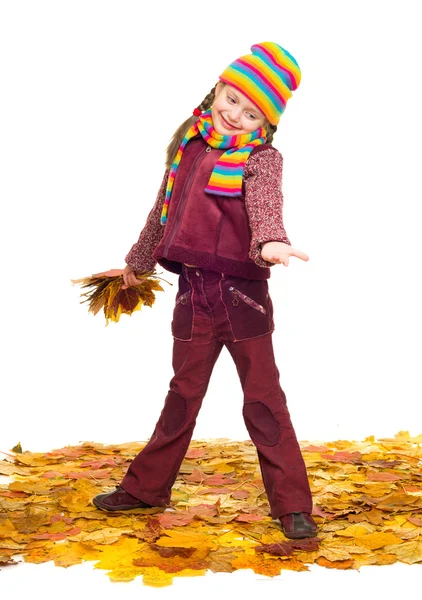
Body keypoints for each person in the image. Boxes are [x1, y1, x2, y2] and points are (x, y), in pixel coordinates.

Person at [93, 42, 318, 539]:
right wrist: (137, 263)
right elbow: (162, 213)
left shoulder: (262, 159)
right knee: (182, 395)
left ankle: (292, 504)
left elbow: (265, 210)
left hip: (243, 301)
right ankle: (146, 489)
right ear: (218, 88)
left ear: (268, 120)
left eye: (252, 111)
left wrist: (272, 244)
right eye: (232, 99)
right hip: (193, 297)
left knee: (263, 399)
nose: (236, 114)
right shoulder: (188, 148)